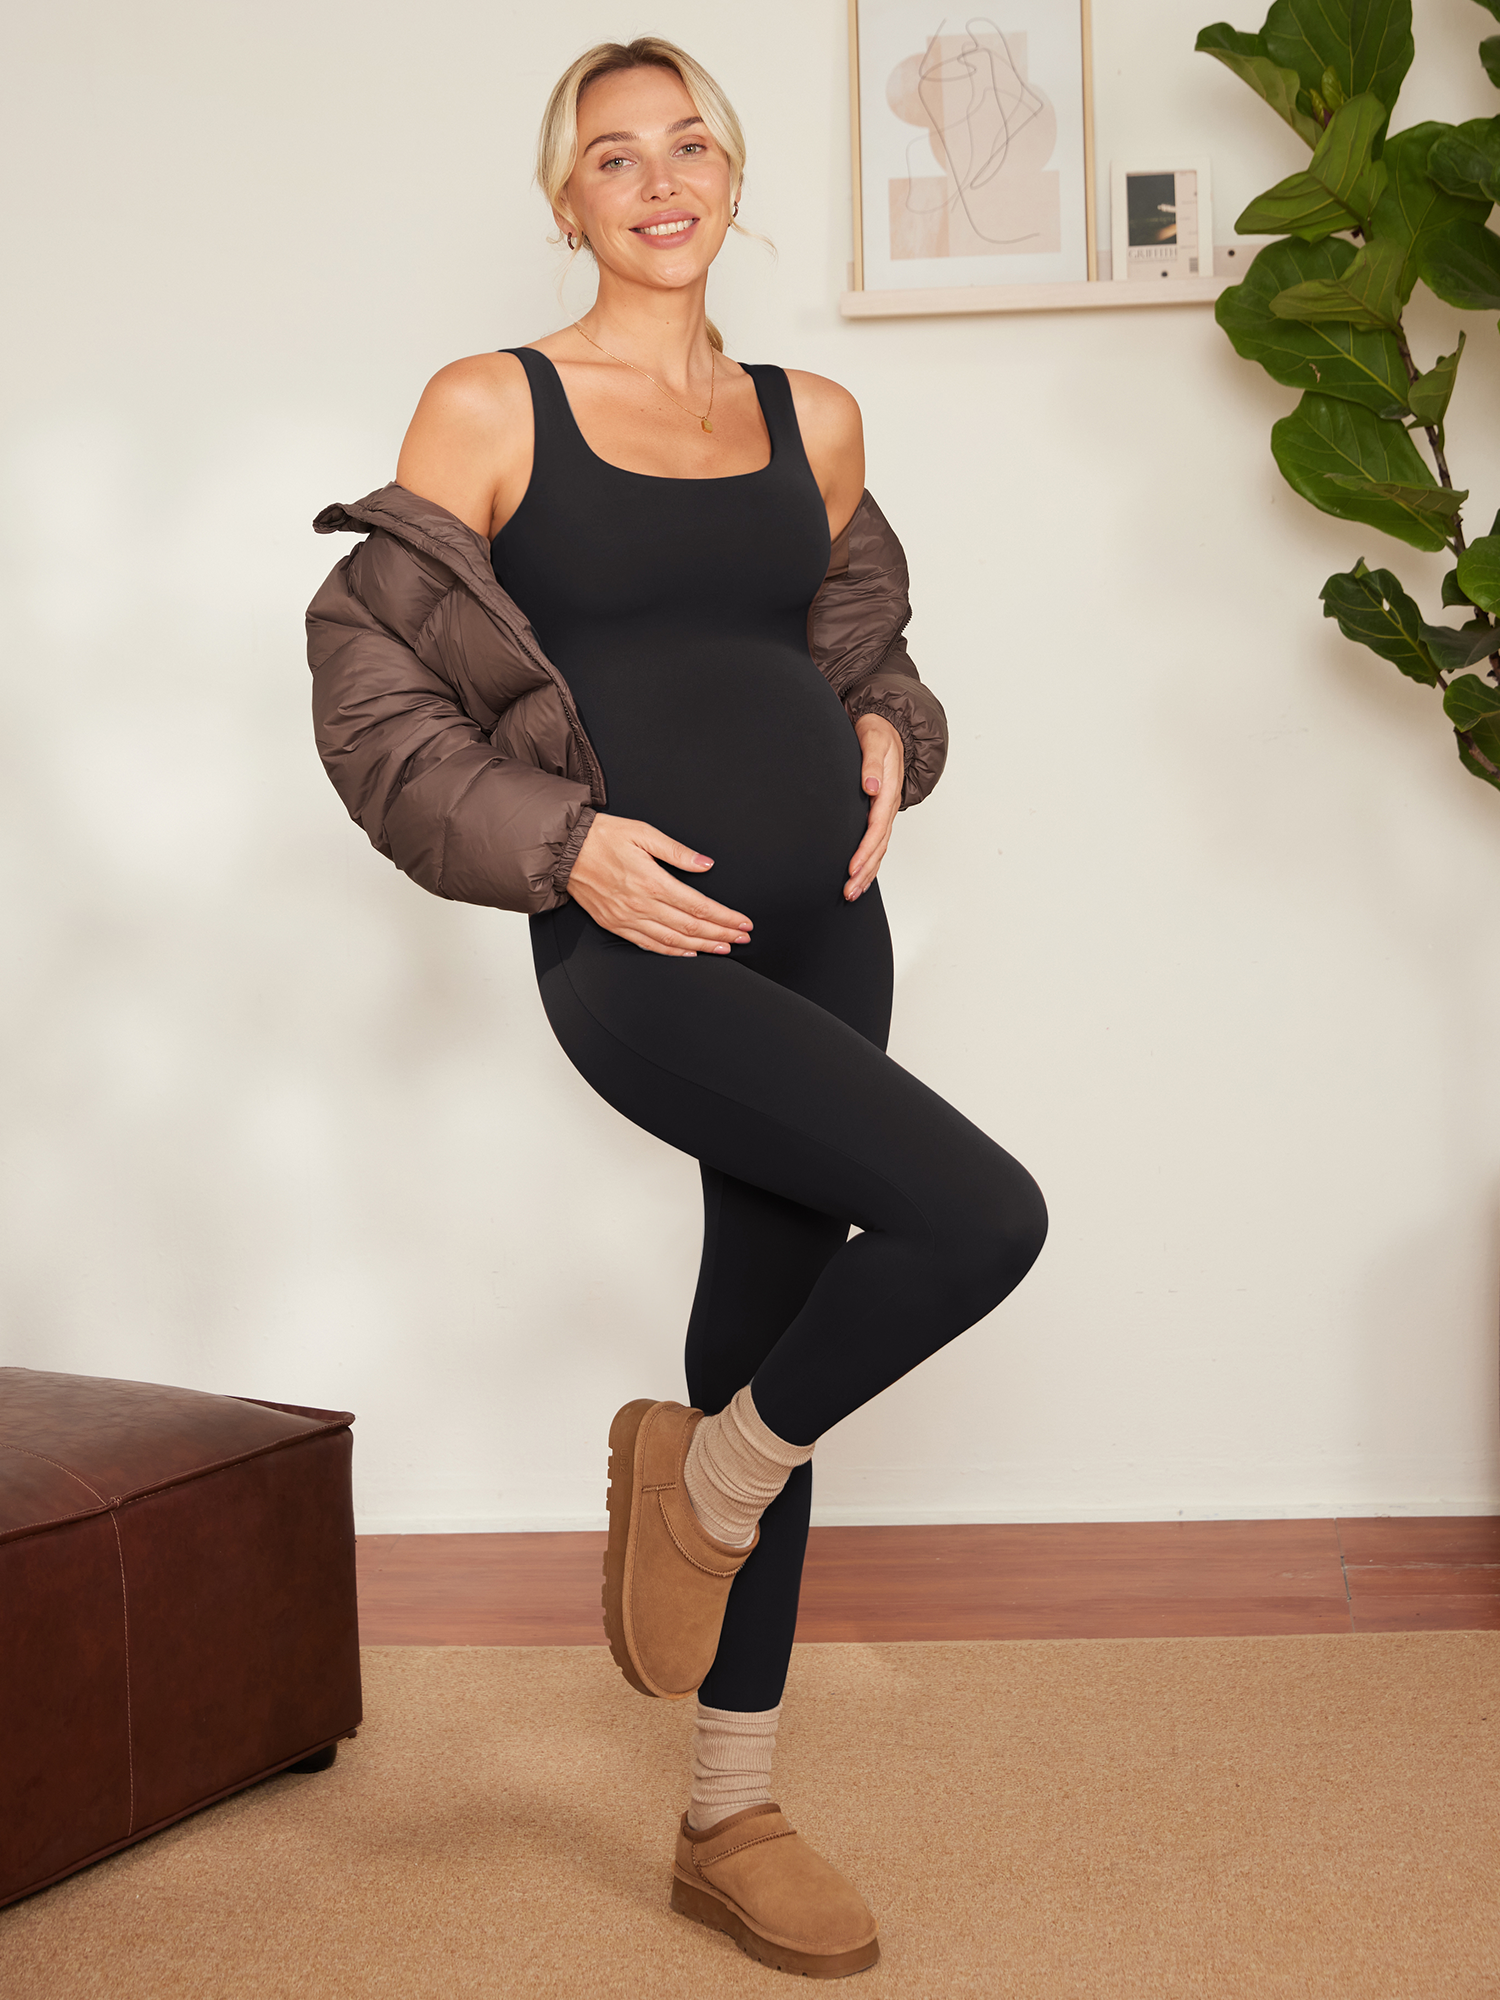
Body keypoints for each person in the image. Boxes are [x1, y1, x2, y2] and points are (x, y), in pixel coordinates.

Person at [306, 36, 1047, 1980]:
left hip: (834, 931)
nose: (659, 179)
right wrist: (562, 849)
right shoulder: (492, 403)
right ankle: (710, 1477)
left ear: (732, 176)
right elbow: (374, 701)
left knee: (769, 1331)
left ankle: (729, 1811)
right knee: (986, 1218)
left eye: (690, 142)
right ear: (567, 199)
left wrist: (891, 730)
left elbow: (860, 646)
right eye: (614, 154)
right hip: (641, 948)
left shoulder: (818, 418)